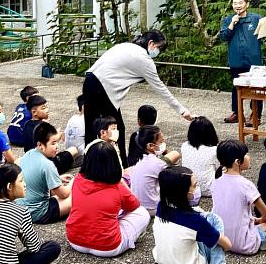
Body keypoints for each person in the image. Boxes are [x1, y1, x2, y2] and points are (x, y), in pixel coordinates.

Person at [83, 30, 194, 166]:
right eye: (159, 48)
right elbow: (160, 88)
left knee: (91, 128)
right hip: (103, 90)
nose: (158, 52)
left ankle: (88, 165)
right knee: (116, 130)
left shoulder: (126, 46)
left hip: (89, 82)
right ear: (151, 43)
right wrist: (182, 111)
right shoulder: (144, 59)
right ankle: (120, 167)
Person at [152, 166, 240, 264]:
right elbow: (227, 245)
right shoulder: (195, 221)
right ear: (183, 192)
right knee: (215, 220)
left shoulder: (161, 207)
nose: (197, 188)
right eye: (194, 185)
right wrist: (219, 238)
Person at [66, 140, 150, 258]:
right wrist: (122, 182)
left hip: (75, 241)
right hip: (108, 246)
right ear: (114, 163)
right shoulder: (117, 187)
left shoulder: (78, 179)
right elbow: (134, 205)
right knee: (143, 213)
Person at [221, 0, 266, 125]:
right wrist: (232, 24)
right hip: (236, 59)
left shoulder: (256, 18)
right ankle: (237, 113)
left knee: (256, 88)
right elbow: (223, 37)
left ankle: (256, 115)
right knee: (236, 87)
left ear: (247, 4)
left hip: (254, 59)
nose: (238, 6)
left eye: (240, 3)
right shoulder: (228, 19)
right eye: (235, 3)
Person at [210, 140, 266, 255]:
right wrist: (259, 220)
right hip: (246, 245)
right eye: (246, 154)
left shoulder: (215, 182)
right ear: (237, 161)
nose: (249, 157)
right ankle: (262, 241)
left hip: (222, 242)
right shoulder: (246, 185)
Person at [17, 122, 72, 224]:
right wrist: (73, 183)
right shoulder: (47, 164)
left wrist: (57, 178)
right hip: (37, 212)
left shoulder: (28, 154)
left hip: (21, 209)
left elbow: (36, 177)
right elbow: (64, 194)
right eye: (53, 143)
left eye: (57, 142)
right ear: (40, 145)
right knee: (76, 197)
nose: (57, 146)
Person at [21, 95, 78, 174]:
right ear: (34, 112)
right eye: (43, 108)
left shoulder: (27, 124)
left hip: (31, 162)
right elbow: (54, 140)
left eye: (47, 107)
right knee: (74, 150)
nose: (47, 110)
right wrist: (59, 134)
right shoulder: (43, 126)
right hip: (48, 165)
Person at [129, 125, 178, 216]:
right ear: (150, 146)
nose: (164, 143)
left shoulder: (136, 160)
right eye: (161, 141)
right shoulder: (158, 163)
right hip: (153, 208)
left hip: (137, 206)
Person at [181, 116, 220, 197]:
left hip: (189, 188)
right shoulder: (214, 150)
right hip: (209, 190)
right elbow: (219, 169)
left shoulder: (184, 146)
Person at [64, 94, 86, 162]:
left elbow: (64, 137)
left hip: (70, 153)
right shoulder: (88, 120)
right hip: (81, 156)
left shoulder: (73, 118)